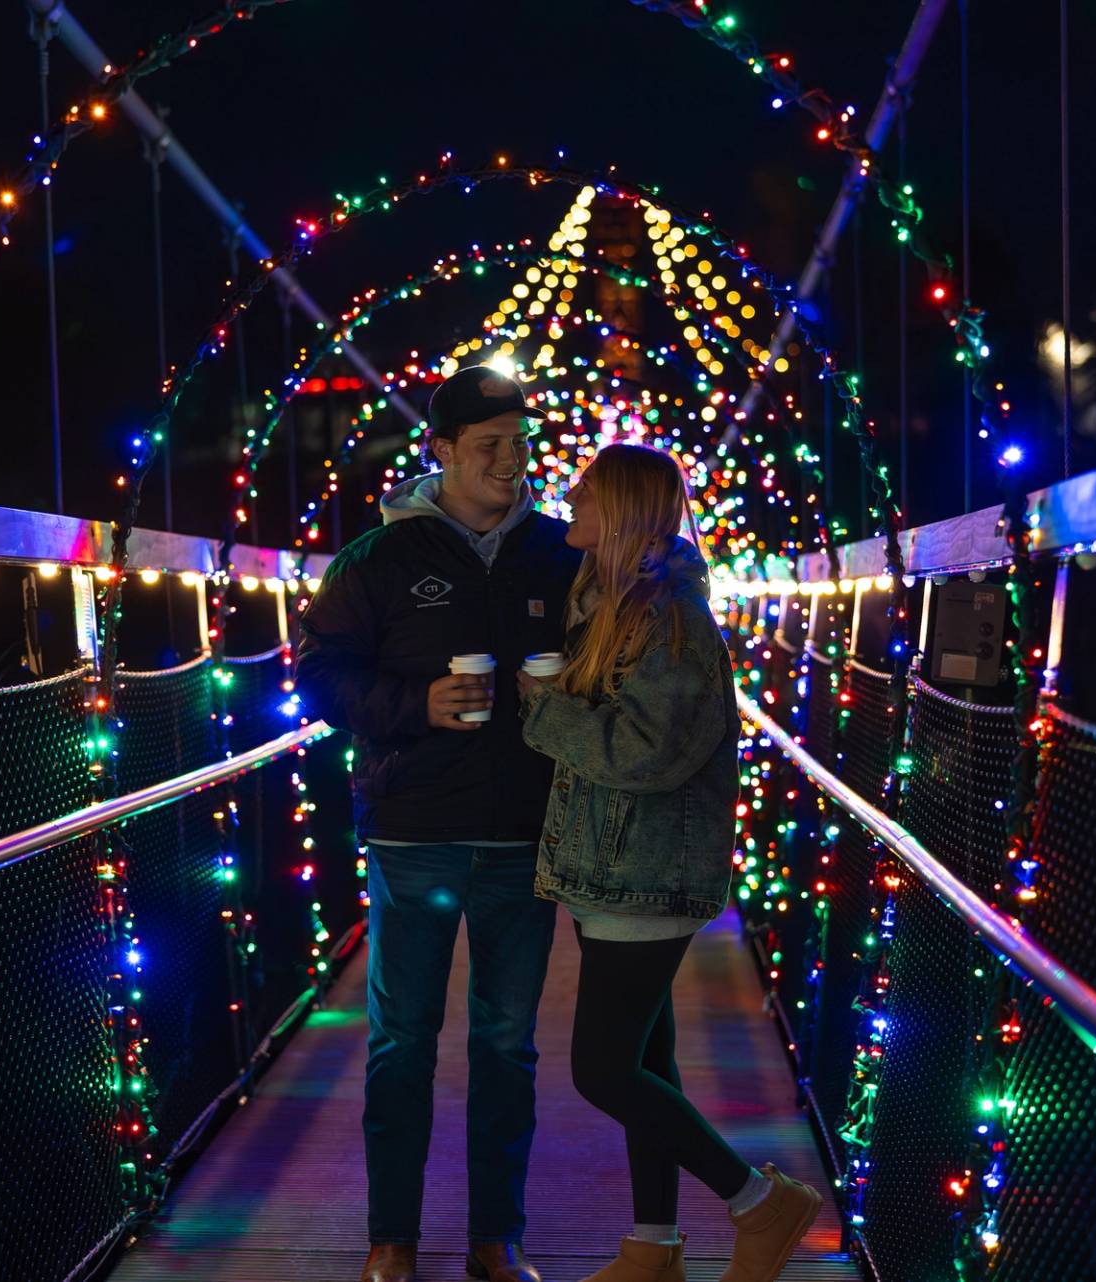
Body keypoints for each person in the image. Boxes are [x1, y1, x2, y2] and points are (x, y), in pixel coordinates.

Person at [296, 364, 584, 1282]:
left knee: (507, 1042)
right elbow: (318, 678)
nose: (511, 461)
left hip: (523, 831)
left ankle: (497, 1239)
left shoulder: (560, 552)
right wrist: (416, 701)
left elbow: (612, 661)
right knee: (402, 1040)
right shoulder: (376, 561)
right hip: (413, 829)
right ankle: (393, 1240)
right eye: (491, 446)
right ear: (445, 451)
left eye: (521, 445)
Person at [515, 444, 822, 1282]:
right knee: (647, 1061)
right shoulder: (618, 602)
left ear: (620, 512)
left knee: (603, 1069)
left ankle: (762, 1202)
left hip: (643, 869)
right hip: (615, 863)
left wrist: (540, 711)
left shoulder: (673, 624)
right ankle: (653, 1249)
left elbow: (647, 753)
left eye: (585, 491)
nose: (567, 496)